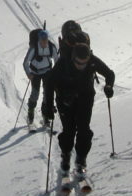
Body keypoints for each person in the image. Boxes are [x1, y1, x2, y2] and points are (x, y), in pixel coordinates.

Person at [43, 41, 115, 177]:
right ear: (73, 57)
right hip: (65, 100)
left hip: (85, 98)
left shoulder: (92, 60)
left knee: (83, 129)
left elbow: (109, 74)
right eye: (78, 63)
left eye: (84, 63)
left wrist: (109, 86)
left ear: (88, 58)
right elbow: (49, 83)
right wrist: (48, 105)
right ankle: (66, 155)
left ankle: (81, 159)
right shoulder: (63, 62)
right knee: (69, 130)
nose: (81, 66)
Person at [23, 29, 58, 126]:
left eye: (45, 40)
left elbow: (57, 60)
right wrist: (28, 73)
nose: (44, 42)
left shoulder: (51, 47)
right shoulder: (34, 48)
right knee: (35, 93)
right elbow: (25, 62)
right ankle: (31, 111)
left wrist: (55, 73)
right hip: (35, 73)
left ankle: (45, 114)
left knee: (47, 94)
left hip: (47, 72)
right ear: (39, 39)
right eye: (42, 40)